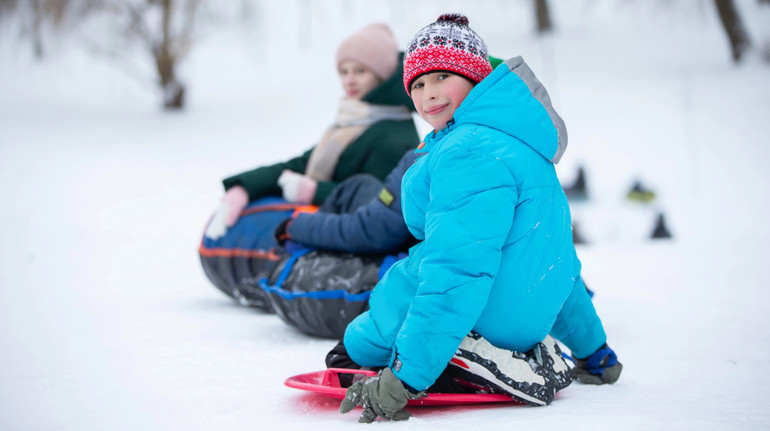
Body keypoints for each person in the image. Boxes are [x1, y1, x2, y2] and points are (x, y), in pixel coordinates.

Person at [336, 14, 622, 423]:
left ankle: (427, 353)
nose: (429, 94)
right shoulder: (523, 145)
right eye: (418, 84)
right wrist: (595, 352)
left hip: (487, 320)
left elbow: (456, 270)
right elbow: (557, 267)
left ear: (474, 78)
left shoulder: (468, 150)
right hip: (525, 323)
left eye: (442, 77)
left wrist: (406, 379)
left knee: (372, 325)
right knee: (524, 253)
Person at [205, 23, 419, 241]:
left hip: (355, 242)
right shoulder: (353, 121)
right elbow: (302, 164)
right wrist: (244, 187)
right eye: (344, 71)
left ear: (382, 75)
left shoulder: (393, 134)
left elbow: (383, 206)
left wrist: (314, 191)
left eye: (360, 71)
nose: (349, 80)